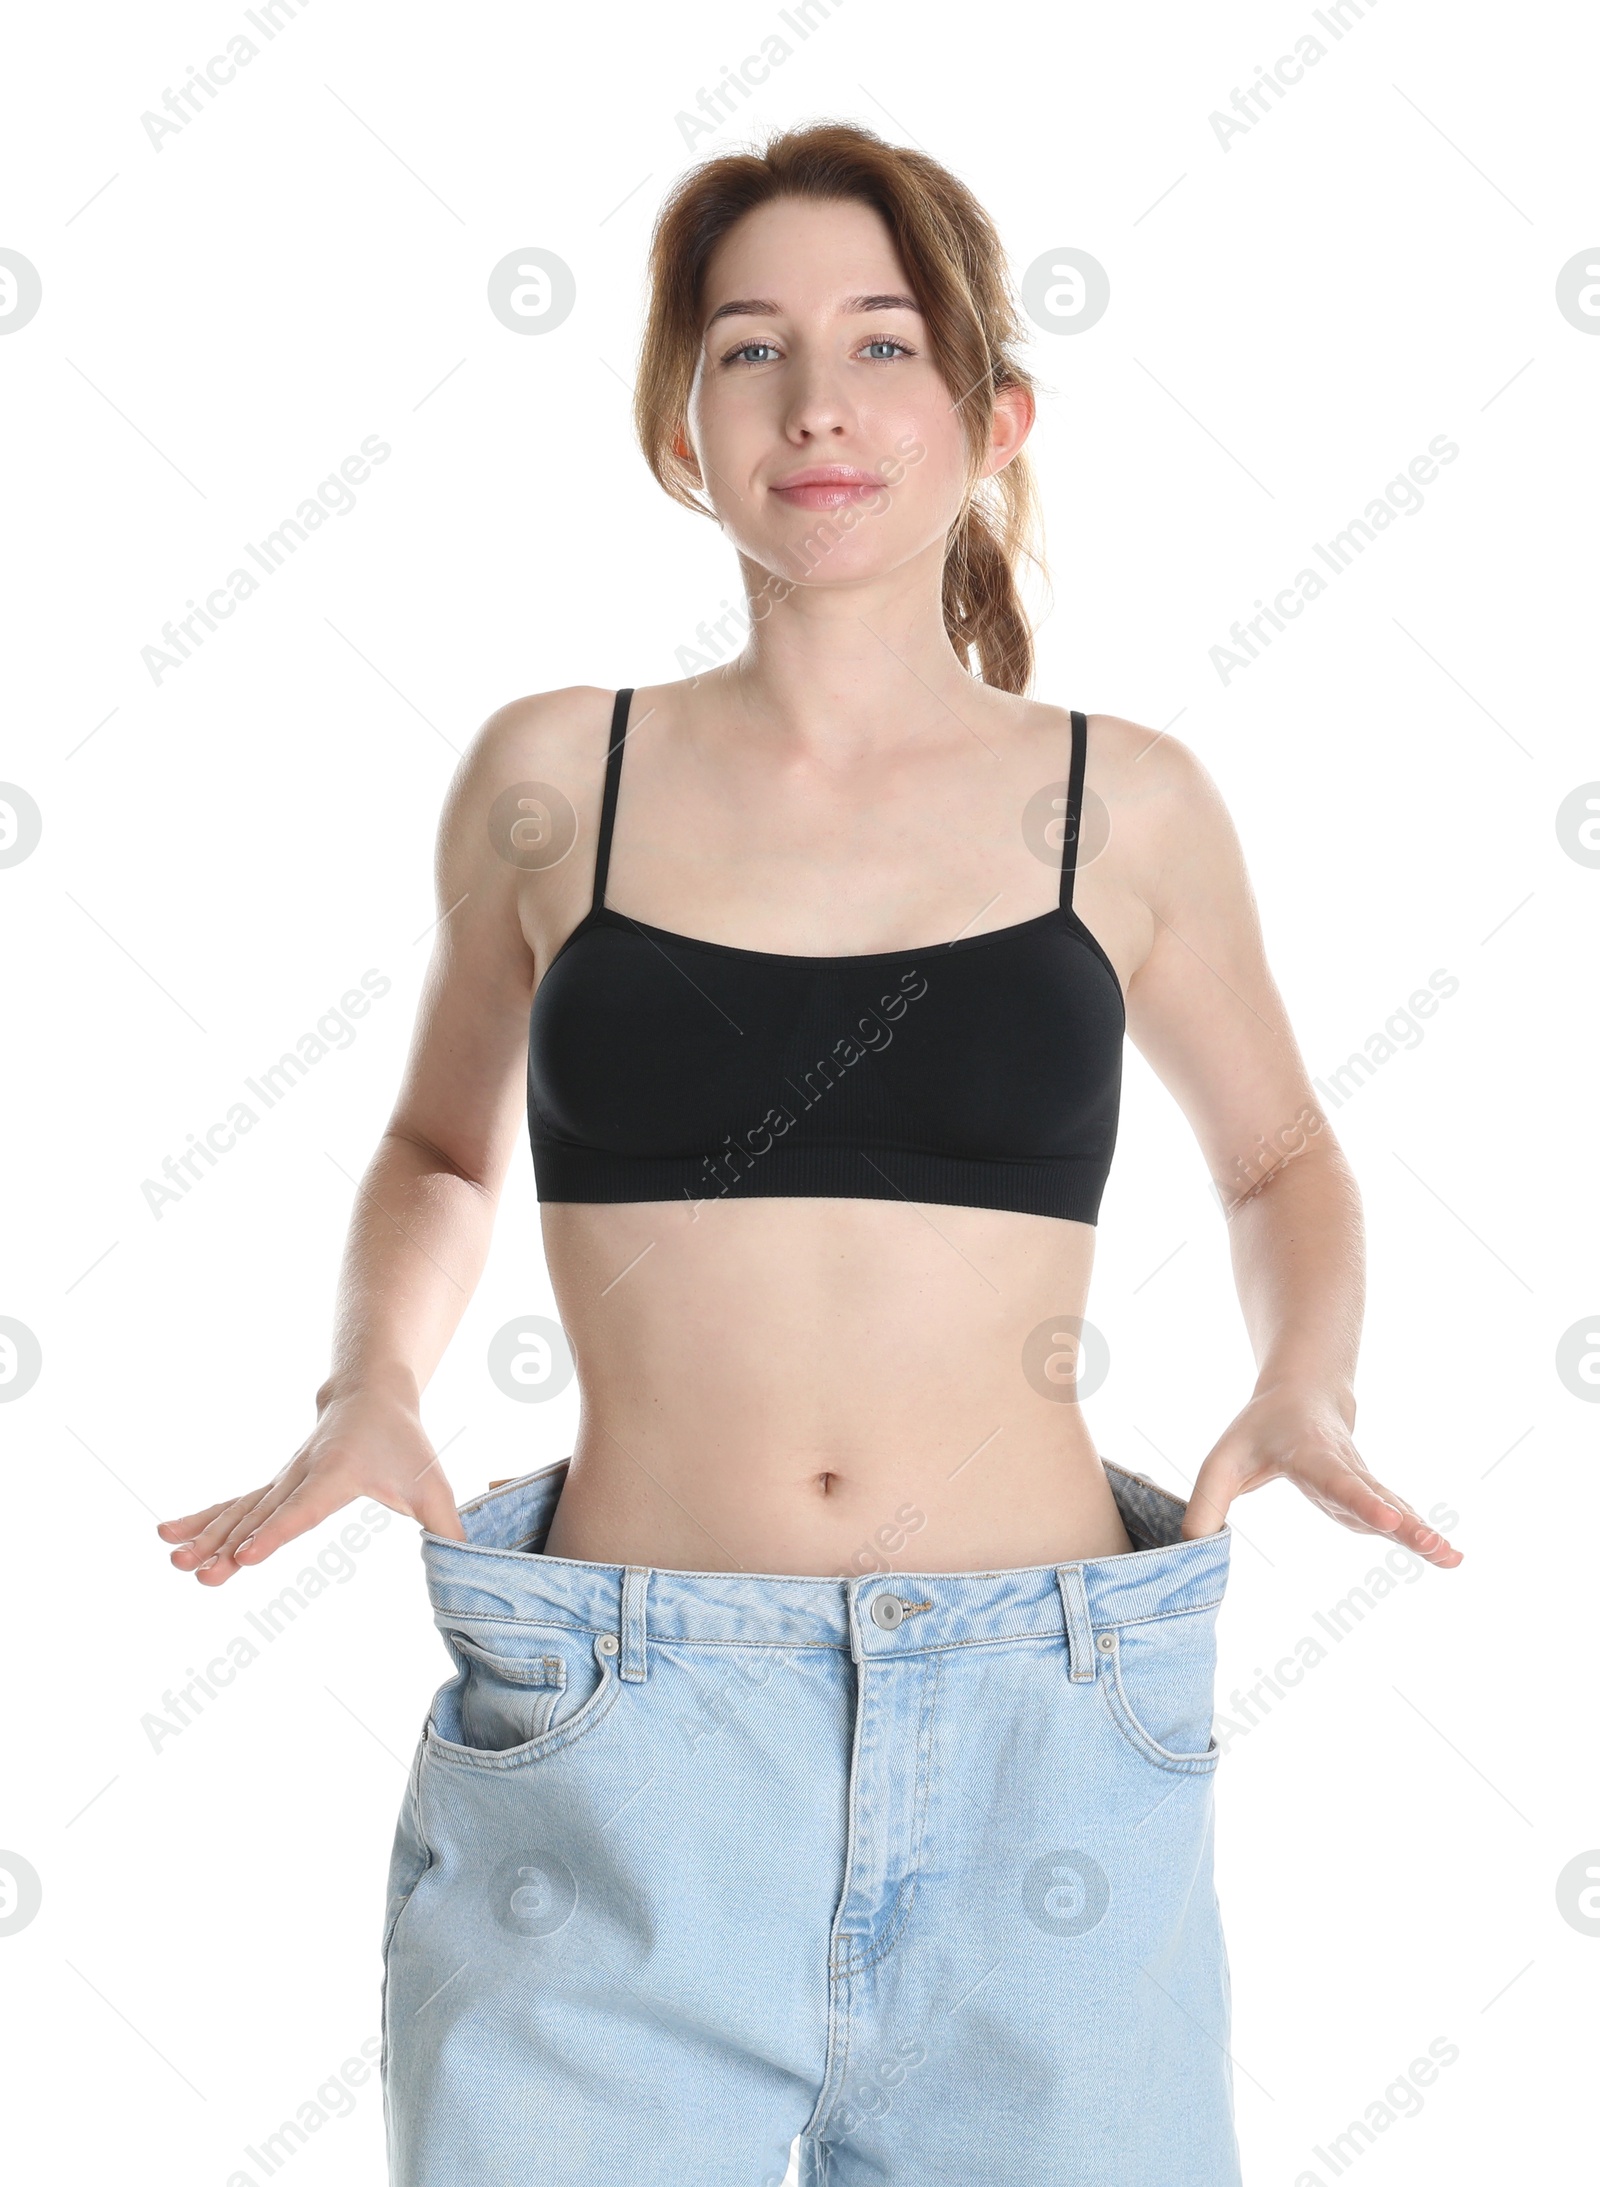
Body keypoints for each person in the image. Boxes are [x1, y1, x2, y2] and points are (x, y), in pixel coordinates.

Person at [157, 120, 1461, 2187]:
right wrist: (366, 1382)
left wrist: (1299, 1380)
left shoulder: (1119, 802)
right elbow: (430, 1141)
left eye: (879, 341)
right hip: (618, 1735)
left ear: (989, 413)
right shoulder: (548, 774)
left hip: (1045, 1723)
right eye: (748, 348)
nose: (817, 400)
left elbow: (1282, 1153)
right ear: (681, 424)